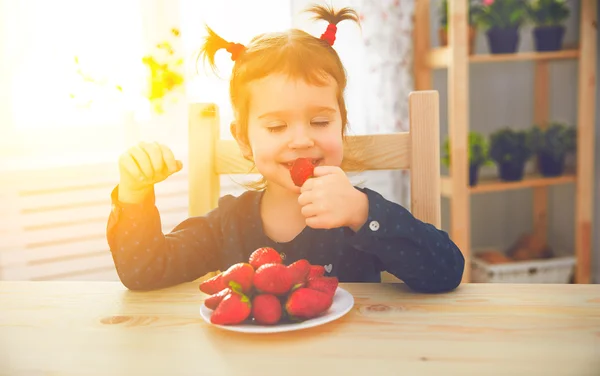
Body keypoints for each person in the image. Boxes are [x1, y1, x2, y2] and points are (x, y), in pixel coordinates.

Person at [106, 4, 465, 293]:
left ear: (342, 124)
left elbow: (446, 271)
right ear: (244, 140)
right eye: (277, 126)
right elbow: (145, 270)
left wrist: (362, 212)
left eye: (320, 122)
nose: (300, 140)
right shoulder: (228, 225)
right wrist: (134, 195)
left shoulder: (362, 214)